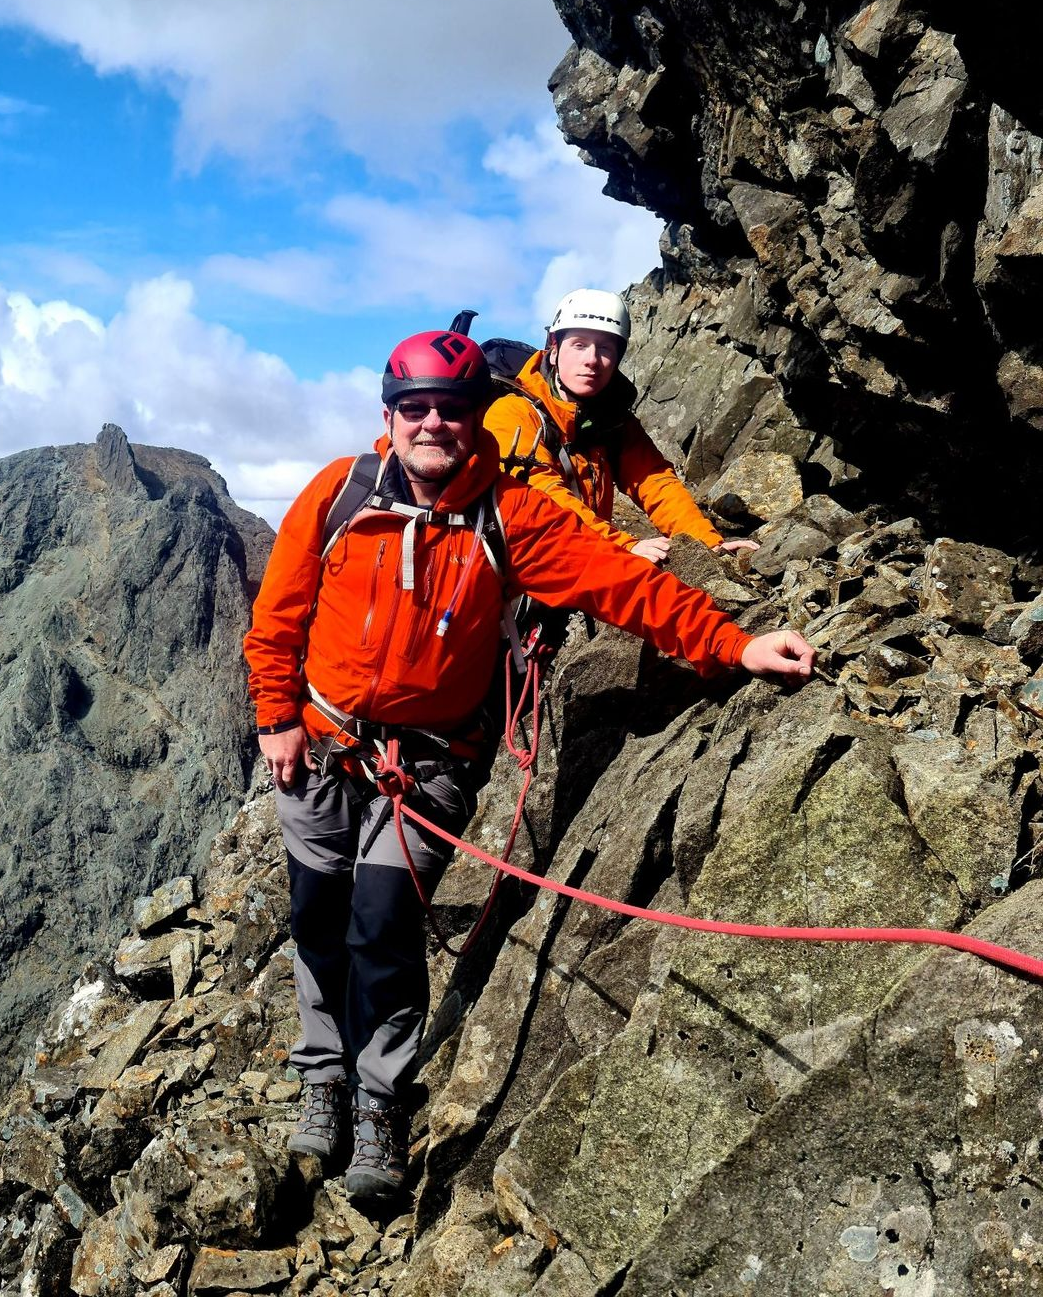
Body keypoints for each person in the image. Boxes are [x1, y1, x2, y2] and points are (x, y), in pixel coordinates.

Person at [243, 329, 814, 1205]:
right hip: (318, 749)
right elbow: (279, 614)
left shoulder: (511, 514)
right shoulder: (338, 494)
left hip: (424, 768)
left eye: (454, 409)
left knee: (382, 926)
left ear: (480, 419)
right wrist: (277, 717)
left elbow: (621, 586)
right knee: (319, 918)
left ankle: (380, 1100)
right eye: (417, 408)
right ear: (387, 416)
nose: (435, 423)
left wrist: (734, 644)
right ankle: (324, 1073)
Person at [484, 288, 758, 564]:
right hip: (517, 574)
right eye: (579, 345)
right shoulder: (512, 413)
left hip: (582, 562)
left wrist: (709, 544)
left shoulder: (612, 418)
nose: (591, 359)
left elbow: (654, 481)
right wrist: (621, 546)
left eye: (604, 348)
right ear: (554, 350)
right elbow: (543, 499)